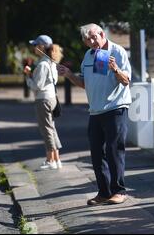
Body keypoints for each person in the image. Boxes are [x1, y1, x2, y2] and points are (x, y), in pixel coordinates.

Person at [56, 23, 131, 206]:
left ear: (102, 34)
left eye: (93, 37)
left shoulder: (117, 51)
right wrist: (68, 74)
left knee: (114, 151)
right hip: (96, 111)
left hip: (115, 108)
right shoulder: (90, 55)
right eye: (87, 39)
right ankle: (104, 192)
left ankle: (119, 191)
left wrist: (115, 69)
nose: (91, 41)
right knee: (97, 154)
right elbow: (85, 83)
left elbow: (126, 81)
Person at [24, 35, 64, 170]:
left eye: (36, 45)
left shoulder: (42, 64)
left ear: (41, 47)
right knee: (52, 128)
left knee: (46, 129)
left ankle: (50, 160)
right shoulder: (52, 62)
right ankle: (57, 160)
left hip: (43, 99)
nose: (34, 48)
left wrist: (28, 77)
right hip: (52, 98)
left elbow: (37, 86)